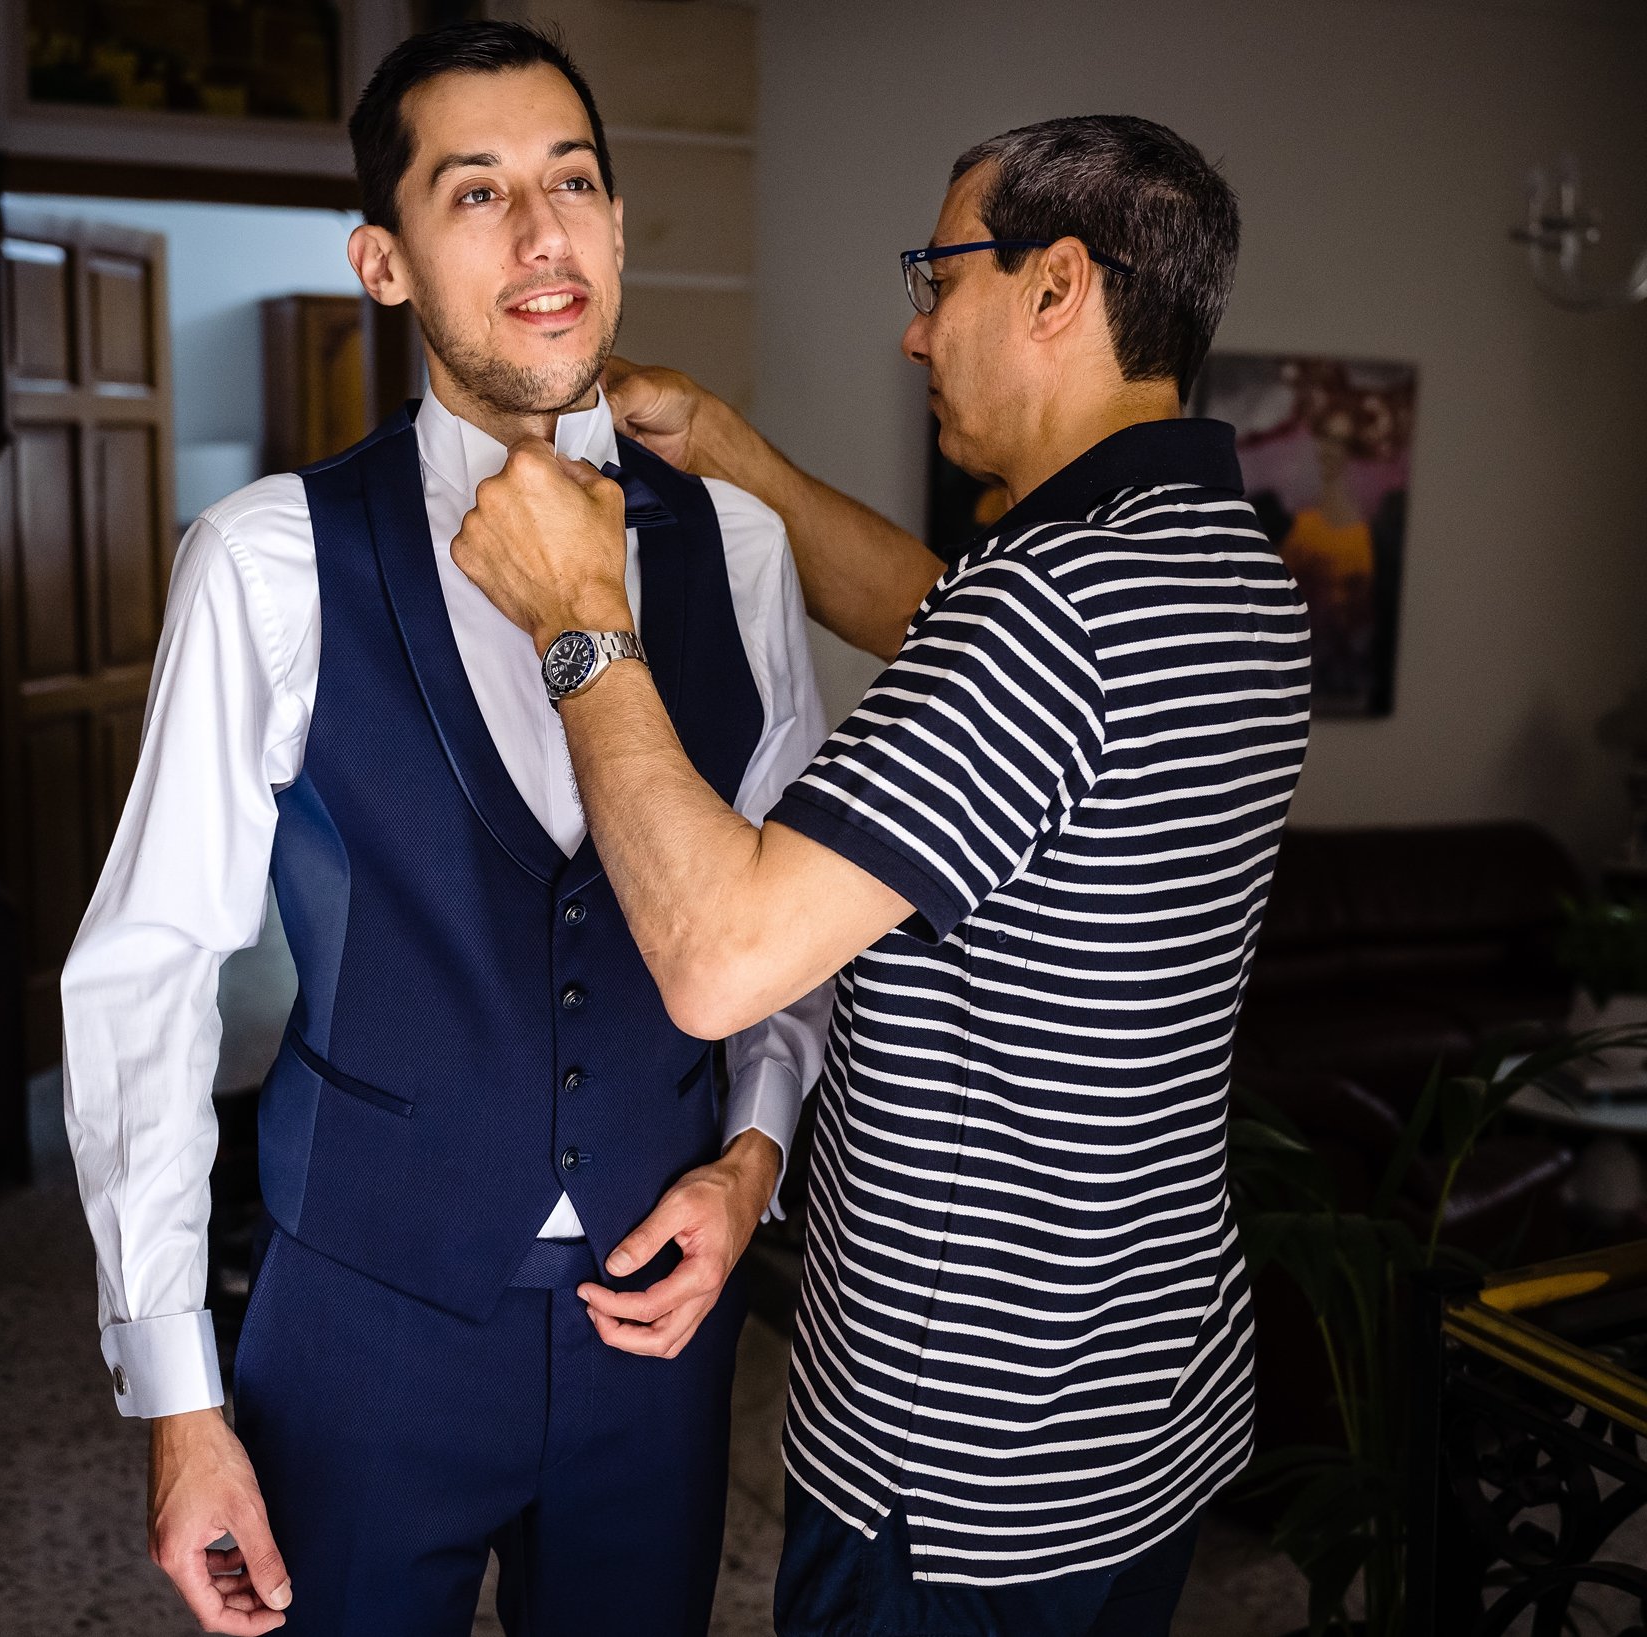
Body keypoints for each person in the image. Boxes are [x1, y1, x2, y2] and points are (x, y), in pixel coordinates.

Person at [452, 114, 1312, 1637]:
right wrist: (720, 448)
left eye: (939, 274)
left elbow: (720, 955)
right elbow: (931, 610)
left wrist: (581, 615)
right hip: (1139, 1409)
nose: (914, 330)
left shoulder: (1050, 616)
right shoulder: (1220, 565)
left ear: (1056, 288)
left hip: (958, 1473)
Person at [58, 21, 829, 1637]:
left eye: (573, 183)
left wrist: (754, 1158)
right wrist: (177, 1403)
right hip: (358, 1331)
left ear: (618, 230)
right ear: (384, 260)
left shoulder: (742, 550)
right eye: (474, 193)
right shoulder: (266, 560)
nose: (542, 235)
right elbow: (146, 974)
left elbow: (788, 909)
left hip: (654, 1345)